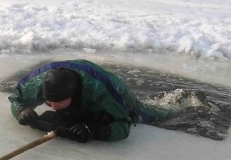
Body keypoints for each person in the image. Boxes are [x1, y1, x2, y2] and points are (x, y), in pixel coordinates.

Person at [9, 59, 171, 142]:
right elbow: (17, 99)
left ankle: (174, 109)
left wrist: (94, 131)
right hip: (76, 74)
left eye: (59, 103)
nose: (54, 108)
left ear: (72, 95)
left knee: (146, 115)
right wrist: (22, 111)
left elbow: (123, 126)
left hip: (113, 86)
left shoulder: (99, 91)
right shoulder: (41, 84)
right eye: (49, 103)